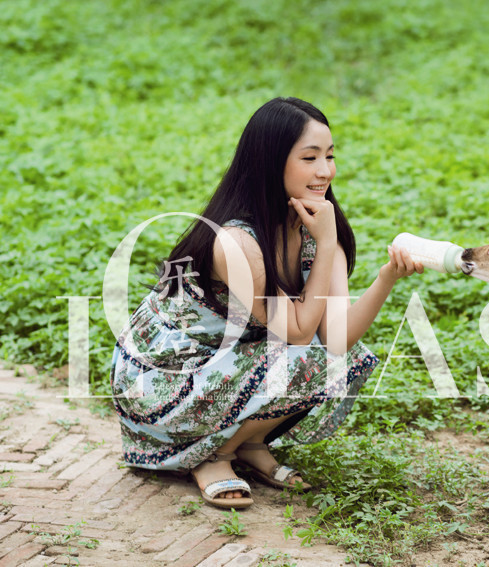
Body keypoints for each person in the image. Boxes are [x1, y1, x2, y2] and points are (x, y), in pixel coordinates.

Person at [110, 97, 423, 509]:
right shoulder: (237, 241)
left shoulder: (315, 228)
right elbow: (298, 332)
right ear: (271, 162)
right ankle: (213, 455)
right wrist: (327, 243)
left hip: (226, 364)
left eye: (329, 156)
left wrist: (386, 278)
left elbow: (338, 340)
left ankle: (247, 442)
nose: (325, 170)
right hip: (162, 375)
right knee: (304, 359)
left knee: (340, 360)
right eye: (309, 157)